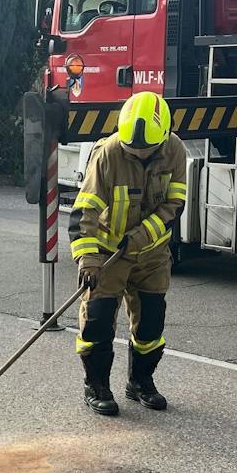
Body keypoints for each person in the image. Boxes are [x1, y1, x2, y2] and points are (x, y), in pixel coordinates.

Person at [68, 91, 188, 416]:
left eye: (143, 150)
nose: (135, 153)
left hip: (151, 256)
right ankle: (97, 387)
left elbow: (174, 204)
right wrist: (88, 259)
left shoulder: (174, 149)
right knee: (97, 323)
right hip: (108, 253)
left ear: (162, 138)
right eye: (130, 148)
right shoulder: (107, 153)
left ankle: (140, 382)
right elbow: (85, 210)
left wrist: (139, 236)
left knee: (151, 324)